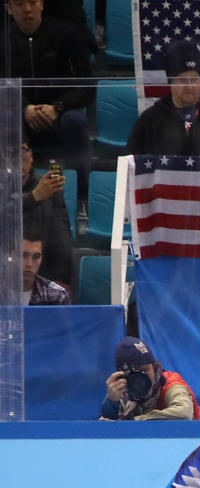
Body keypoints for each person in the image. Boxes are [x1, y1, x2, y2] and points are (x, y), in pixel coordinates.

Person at [2, 0, 94, 191]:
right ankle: (16, 195)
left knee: (75, 121)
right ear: (8, 9)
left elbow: (87, 85)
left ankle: (83, 193)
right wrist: (24, 108)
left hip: (60, 112)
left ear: (42, 4)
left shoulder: (67, 34)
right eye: (19, 4)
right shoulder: (3, 40)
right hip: (21, 113)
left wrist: (58, 107)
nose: (27, 9)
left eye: (33, 2)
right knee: (7, 120)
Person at [126, 40, 200, 157]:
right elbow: (131, 168)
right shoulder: (149, 121)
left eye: (194, 79)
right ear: (171, 83)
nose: (189, 86)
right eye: (182, 80)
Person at [99, 336, 200, 421]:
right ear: (124, 376)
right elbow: (110, 426)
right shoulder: (123, 391)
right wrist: (111, 403)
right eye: (136, 372)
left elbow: (183, 413)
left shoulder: (170, 383)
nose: (143, 376)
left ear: (154, 367)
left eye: (146, 369)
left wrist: (134, 422)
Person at [21, 137, 72, 288]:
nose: (16, 159)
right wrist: (34, 197)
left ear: (30, 156)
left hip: (41, 268)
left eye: (21, 151)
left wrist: (62, 279)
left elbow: (62, 234)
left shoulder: (48, 187)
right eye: (8, 153)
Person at [20, 229, 69, 305]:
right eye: (23, 255)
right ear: (10, 256)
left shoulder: (58, 296)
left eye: (36, 257)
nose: (29, 264)